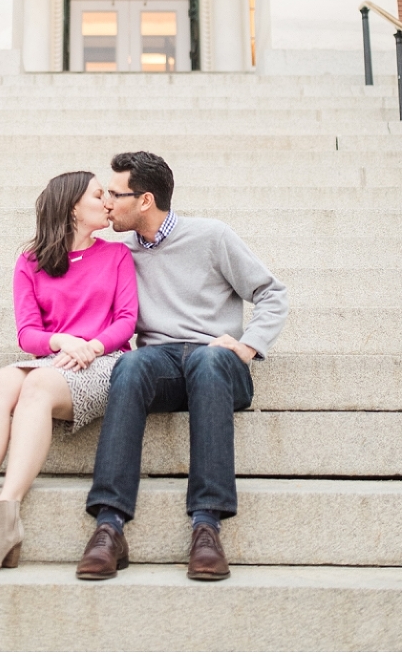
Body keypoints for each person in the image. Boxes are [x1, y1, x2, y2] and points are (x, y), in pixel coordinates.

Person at [76, 151, 288, 582]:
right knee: (132, 365)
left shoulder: (211, 236)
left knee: (210, 361)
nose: (109, 202)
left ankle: (206, 525)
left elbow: (271, 293)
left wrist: (248, 346)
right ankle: (109, 525)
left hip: (218, 361)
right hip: (162, 365)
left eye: (116, 194)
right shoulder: (121, 253)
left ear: (146, 200)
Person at [0, 169, 137, 575]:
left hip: (105, 362)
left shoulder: (117, 255)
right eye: (98, 195)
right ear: (72, 207)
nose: (109, 202)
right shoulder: (31, 261)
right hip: (54, 359)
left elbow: (127, 321)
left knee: (36, 385)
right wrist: (60, 342)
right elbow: (28, 333)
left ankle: (6, 517)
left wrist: (90, 345)